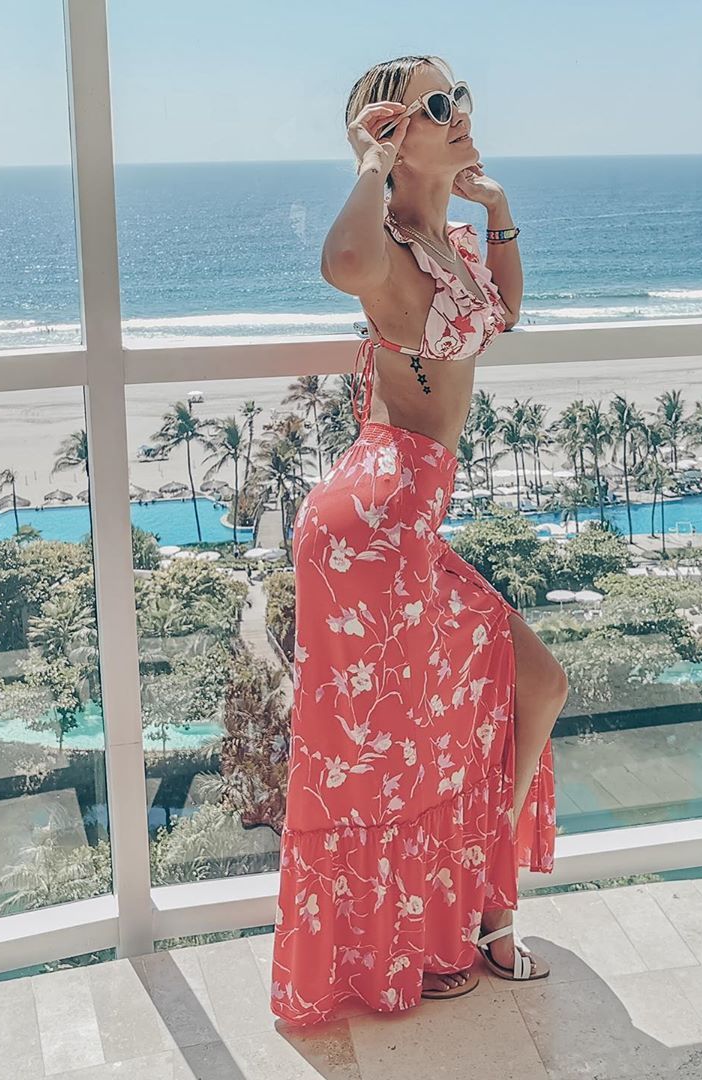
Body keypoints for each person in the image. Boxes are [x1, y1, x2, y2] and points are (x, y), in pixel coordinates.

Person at [269, 55, 565, 1026]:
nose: (460, 110)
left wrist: (499, 207)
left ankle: (477, 899)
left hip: (406, 517)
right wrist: (366, 162)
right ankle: (450, 925)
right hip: (375, 525)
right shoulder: (391, 252)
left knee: (533, 686)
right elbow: (341, 266)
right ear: (397, 141)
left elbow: (503, 311)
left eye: (459, 94)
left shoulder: (450, 244)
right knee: (392, 755)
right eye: (436, 106)